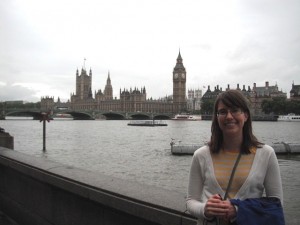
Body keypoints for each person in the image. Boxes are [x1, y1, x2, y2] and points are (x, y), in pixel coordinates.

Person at [186, 89, 283, 225]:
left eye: (235, 110)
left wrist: (238, 210)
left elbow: (277, 203)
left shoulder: (266, 154)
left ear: (246, 115)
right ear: (217, 117)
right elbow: (191, 201)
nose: (229, 116)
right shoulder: (201, 155)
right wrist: (205, 209)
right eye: (223, 112)